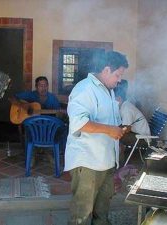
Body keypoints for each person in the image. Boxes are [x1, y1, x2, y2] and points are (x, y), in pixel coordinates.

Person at [64, 51, 129, 225]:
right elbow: (79, 122)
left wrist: (117, 135)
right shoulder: (85, 89)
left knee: (102, 214)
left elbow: (110, 122)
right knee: (82, 215)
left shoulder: (109, 91)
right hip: (88, 163)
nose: (119, 79)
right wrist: (110, 130)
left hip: (105, 162)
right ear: (106, 70)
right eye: (118, 75)